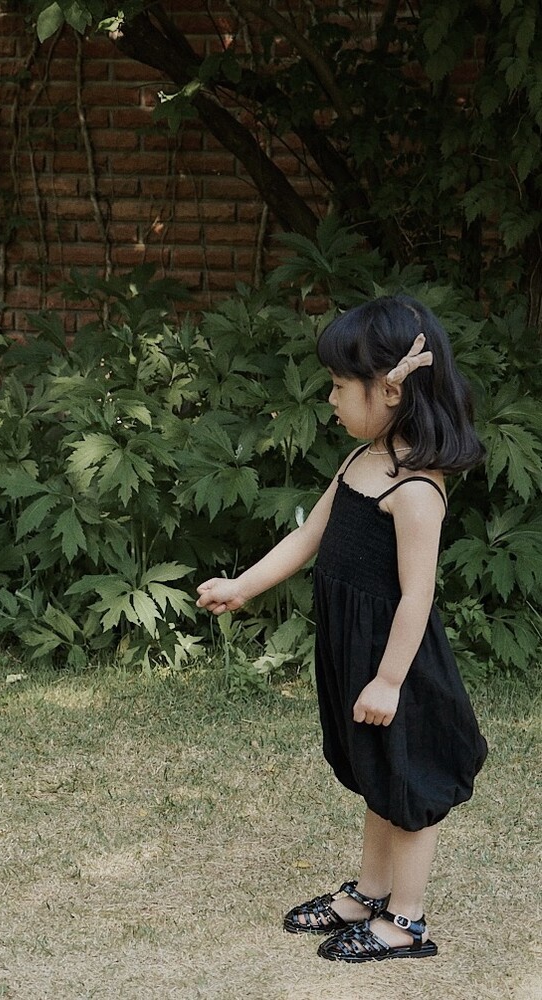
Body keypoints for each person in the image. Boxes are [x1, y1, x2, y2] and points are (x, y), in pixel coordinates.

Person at [195, 295, 488, 962]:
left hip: (396, 662)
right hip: (354, 648)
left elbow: (417, 595)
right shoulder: (362, 460)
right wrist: (243, 586)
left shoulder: (416, 490)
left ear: (390, 390)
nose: (329, 399)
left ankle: (405, 921)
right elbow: (309, 537)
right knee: (377, 774)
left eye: (337, 386)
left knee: (408, 783)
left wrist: (389, 680)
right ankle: (370, 892)